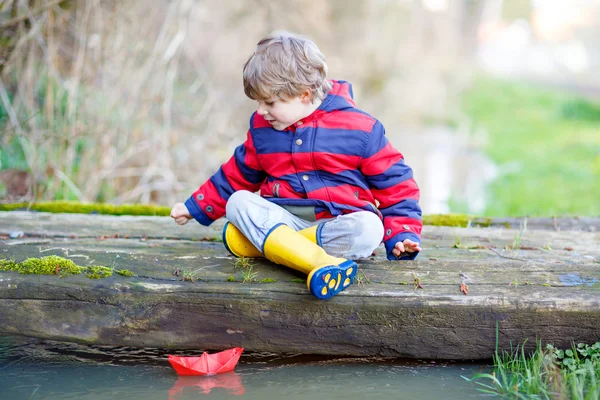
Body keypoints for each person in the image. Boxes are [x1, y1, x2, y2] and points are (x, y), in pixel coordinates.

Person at [170, 31, 422, 300]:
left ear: (304, 94)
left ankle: (277, 248)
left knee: (370, 228)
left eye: (269, 102)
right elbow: (236, 175)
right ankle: (321, 262)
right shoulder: (263, 129)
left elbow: (396, 183)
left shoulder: (360, 128)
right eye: (258, 102)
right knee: (238, 203)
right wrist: (195, 205)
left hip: (335, 224)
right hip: (284, 219)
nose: (260, 111)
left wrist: (402, 232)